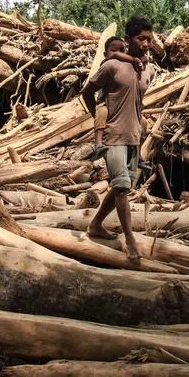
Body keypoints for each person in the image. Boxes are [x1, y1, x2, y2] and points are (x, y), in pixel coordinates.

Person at [81, 16, 156, 262]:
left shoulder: (149, 70)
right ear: (129, 40)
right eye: (141, 39)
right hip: (113, 136)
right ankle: (130, 239)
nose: (146, 43)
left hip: (134, 136)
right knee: (122, 186)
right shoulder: (112, 67)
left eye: (149, 39)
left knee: (120, 187)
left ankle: (95, 224)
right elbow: (87, 91)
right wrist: (97, 116)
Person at [92, 37, 144, 156]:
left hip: (124, 106)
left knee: (143, 121)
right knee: (102, 113)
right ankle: (98, 144)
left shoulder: (127, 67)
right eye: (114, 50)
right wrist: (133, 59)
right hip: (105, 102)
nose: (118, 53)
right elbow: (115, 56)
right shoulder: (106, 64)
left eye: (122, 49)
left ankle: (138, 153)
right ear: (105, 54)